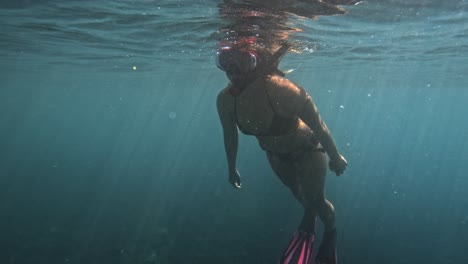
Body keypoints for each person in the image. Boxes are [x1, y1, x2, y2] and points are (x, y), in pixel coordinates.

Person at [216, 41, 348, 264]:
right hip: (276, 157)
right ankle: (309, 215)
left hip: (308, 150)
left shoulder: (282, 90)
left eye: (244, 61)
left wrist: (335, 156)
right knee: (299, 196)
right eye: (225, 62)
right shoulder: (226, 100)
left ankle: (330, 232)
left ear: (258, 63)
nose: (233, 70)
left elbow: (318, 125)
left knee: (316, 200)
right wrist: (231, 168)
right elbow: (230, 135)